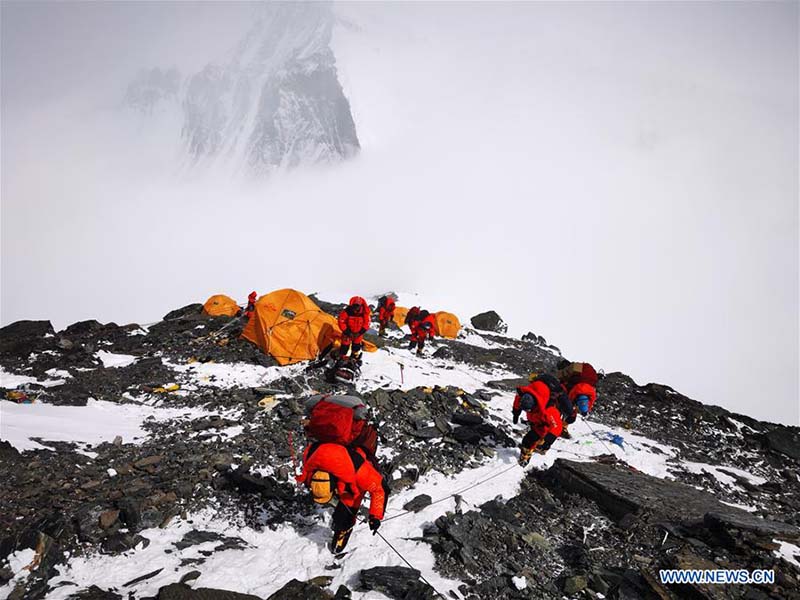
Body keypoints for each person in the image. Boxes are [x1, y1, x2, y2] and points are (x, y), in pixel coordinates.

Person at [296, 442, 389, 553]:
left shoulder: (358, 472)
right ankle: (342, 521)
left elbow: (381, 488)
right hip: (338, 451)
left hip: (358, 459)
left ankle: (344, 526)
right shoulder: (310, 464)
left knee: (350, 499)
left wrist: (375, 517)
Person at [512, 379, 563, 466]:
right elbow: (518, 399)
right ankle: (527, 453)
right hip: (535, 422)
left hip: (543, 427)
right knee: (528, 441)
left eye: (529, 410)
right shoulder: (524, 395)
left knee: (529, 440)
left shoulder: (549, 409)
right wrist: (516, 412)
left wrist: (548, 442)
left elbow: (556, 426)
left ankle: (526, 458)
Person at [556, 360, 599, 426]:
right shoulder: (582, 371)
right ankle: (563, 426)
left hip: (575, 391)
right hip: (588, 390)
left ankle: (557, 425)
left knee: (562, 405)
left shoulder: (568, 375)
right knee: (574, 405)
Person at [337, 296, 371, 362]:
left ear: (361, 305)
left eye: (357, 305)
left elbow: (367, 323)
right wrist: (348, 332)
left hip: (358, 334)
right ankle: (341, 359)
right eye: (354, 305)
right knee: (344, 346)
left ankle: (354, 358)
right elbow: (341, 321)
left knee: (356, 346)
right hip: (347, 333)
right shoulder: (347, 312)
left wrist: (360, 333)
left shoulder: (365, 313)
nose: (356, 307)